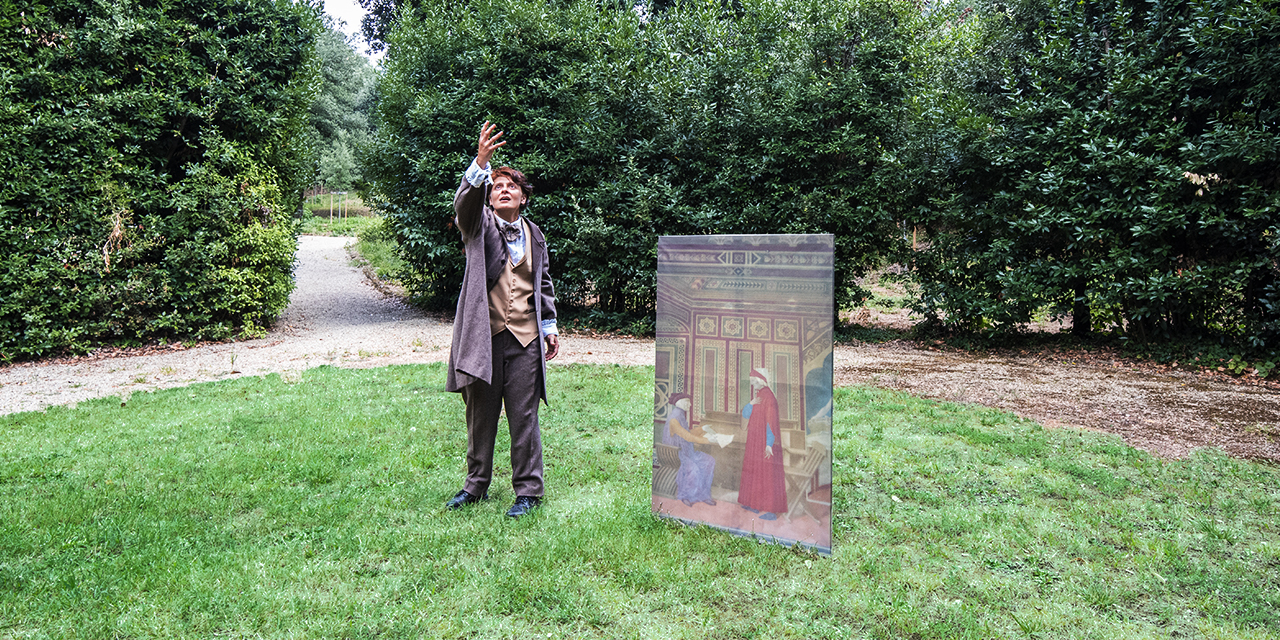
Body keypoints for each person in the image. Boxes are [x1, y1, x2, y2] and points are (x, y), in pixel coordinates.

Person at [444, 121, 560, 518]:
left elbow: (542, 282)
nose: (503, 190)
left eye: (511, 186)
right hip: (485, 337)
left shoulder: (536, 234)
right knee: (480, 416)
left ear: (523, 198)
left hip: (525, 339)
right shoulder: (478, 225)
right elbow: (464, 207)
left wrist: (549, 326)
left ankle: (528, 491)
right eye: (496, 186)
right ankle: (475, 485)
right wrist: (481, 163)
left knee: (524, 417)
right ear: (489, 197)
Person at [738, 367, 786, 520]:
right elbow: (746, 414)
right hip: (754, 439)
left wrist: (769, 444)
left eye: (754, 381)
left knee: (767, 473)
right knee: (753, 469)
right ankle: (752, 503)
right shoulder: (758, 395)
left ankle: (771, 510)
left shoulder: (769, 398)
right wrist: (750, 404)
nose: (752, 384)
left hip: (764, 441)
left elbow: (770, 423)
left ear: (761, 380)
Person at [662, 392, 717, 507]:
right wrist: (708, 440)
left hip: (686, 452)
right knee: (693, 468)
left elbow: (687, 433)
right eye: (687, 402)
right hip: (676, 454)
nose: (690, 404)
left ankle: (704, 495)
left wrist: (702, 428)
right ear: (679, 402)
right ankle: (686, 496)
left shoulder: (680, 415)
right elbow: (688, 437)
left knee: (709, 461)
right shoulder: (674, 419)